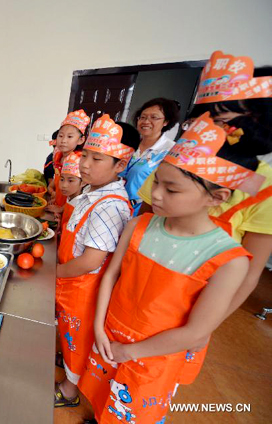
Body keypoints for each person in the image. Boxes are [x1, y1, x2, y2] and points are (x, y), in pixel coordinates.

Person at [79, 113, 253, 423]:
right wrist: (99, 327)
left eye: (171, 190)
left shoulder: (229, 260)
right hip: (109, 334)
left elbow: (196, 332)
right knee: (101, 397)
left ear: (217, 197)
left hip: (153, 356)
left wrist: (129, 352)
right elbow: (111, 275)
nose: (155, 193)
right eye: (156, 180)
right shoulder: (139, 225)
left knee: (131, 412)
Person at [135, 51, 272, 385]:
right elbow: (146, 218)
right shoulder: (179, 160)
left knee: (155, 378)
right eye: (210, 116)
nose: (213, 127)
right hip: (143, 282)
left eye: (225, 120)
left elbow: (249, 274)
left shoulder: (264, 189)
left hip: (191, 308)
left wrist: (203, 330)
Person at [55, 115, 137, 407]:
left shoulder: (111, 206)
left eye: (97, 158)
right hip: (71, 282)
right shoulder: (92, 191)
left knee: (79, 339)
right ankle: (67, 367)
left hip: (83, 287)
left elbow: (91, 260)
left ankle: (69, 390)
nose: (85, 164)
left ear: (120, 165)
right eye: (85, 155)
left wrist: (57, 273)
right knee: (68, 333)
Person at [119, 98, 179, 215]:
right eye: (142, 117)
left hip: (142, 211)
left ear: (166, 121)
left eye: (154, 117)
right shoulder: (129, 143)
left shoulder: (170, 151)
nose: (146, 121)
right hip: (115, 206)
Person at [46, 109, 90, 215]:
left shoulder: (79, 160)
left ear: (80, 140)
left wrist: (62, 209)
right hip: (59, 206)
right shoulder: (58, 156)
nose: (64, 140)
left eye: (70, 136)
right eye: (61, 136)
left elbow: (83, 193)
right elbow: (57, 181)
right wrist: (55, 196)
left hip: (71, 211)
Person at [56, 152, 83, 234]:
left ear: (83, 182)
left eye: (70, 180)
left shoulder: (80, 207)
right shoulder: (70, 197)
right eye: (62, 179)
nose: (64, 185)